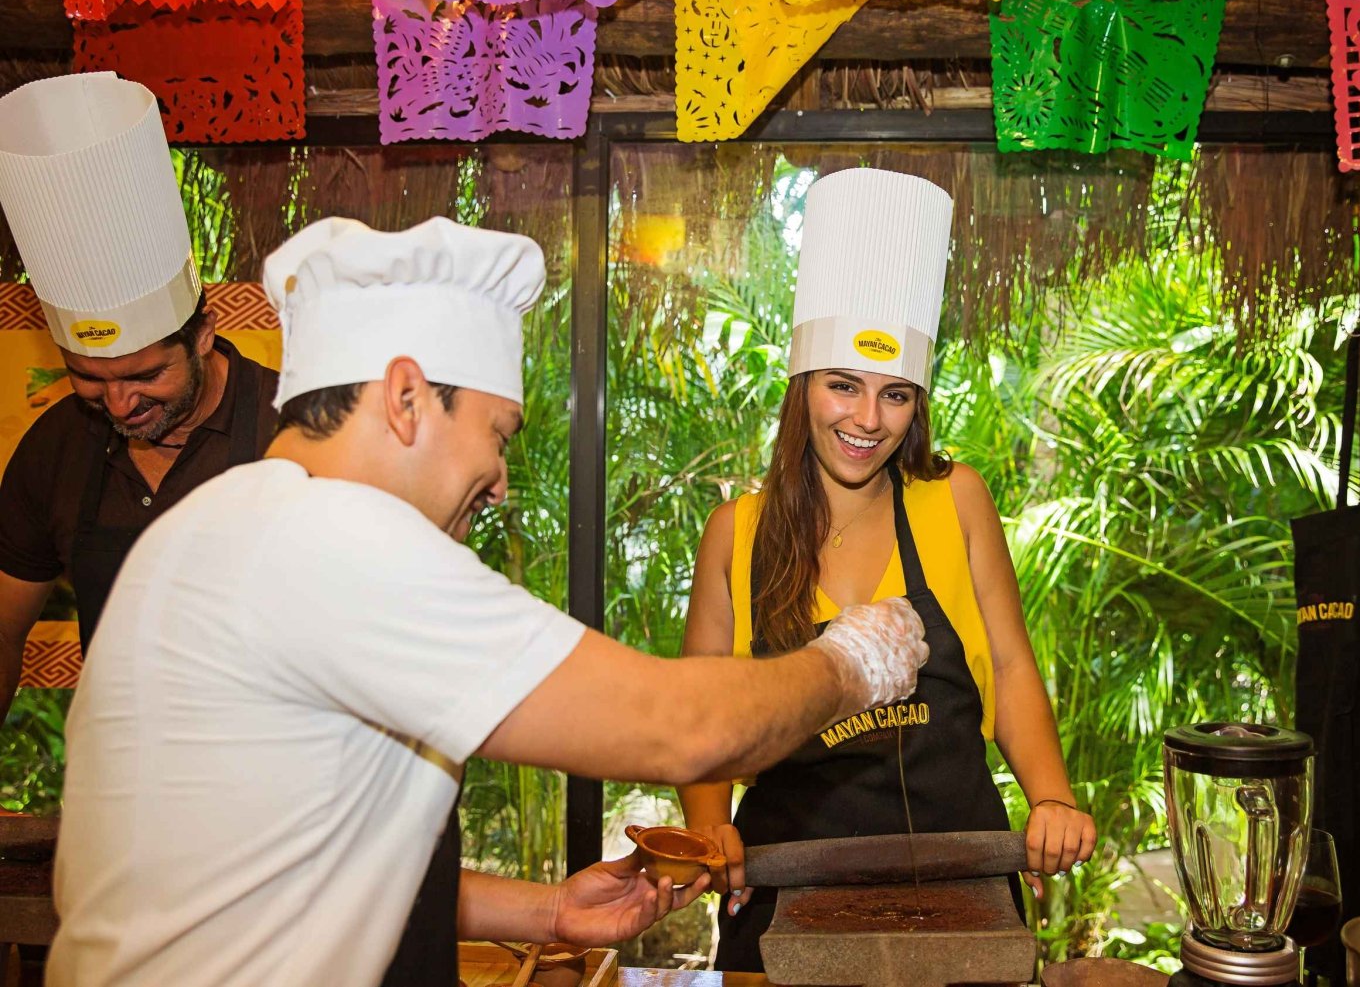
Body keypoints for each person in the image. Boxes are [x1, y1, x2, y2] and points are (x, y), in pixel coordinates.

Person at [47, 215, 931, 987]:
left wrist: (548, 913)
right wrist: (855, 659)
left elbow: (292, 871)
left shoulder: (216, 524)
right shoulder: (336, 541)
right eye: (496, 433)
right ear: (405, 398)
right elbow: (681, 728)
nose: (502, 480)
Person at [674, 167, 1098, 972]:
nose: (868, 420)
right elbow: (701, 718)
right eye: (844, 386)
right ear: (803, 387)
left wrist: (1051, 797)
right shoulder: (736, 534)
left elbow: (1009, 666)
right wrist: (709, 826)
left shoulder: (955, 499)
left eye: (895, 394)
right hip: (784, 900)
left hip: (962, 888)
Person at [0, 73, 278, 720]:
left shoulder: (289, 431)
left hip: (272, 803)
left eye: (146, 376)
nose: (120, 404)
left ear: (204, 334)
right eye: (90, 379)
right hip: (125, 800)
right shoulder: (57, 447)